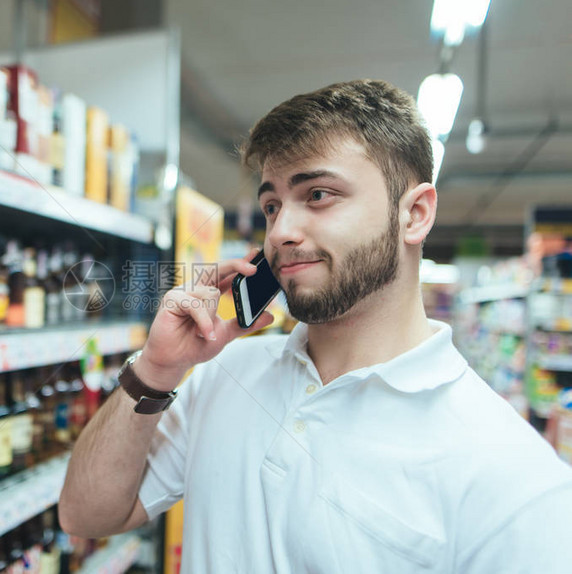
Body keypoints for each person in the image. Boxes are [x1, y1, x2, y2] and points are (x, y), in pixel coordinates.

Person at [58, 79, 572, 572]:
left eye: (319, 195)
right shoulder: (225, 373)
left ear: (414, 214)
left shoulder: (515, 476)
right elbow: (85, 515)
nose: (279, 231)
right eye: (271, 205)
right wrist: (155, 370)